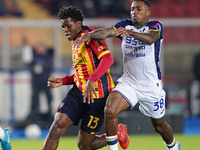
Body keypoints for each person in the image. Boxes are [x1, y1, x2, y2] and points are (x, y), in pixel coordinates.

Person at [74, 0, 181, 150]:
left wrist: (129, 32)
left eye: (138, 9)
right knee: (109, 110)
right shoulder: (125, 24)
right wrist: (90, 35)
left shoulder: (155, 26)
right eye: (132, 9)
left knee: (159, 126)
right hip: (129, 83)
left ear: (147, 12)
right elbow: (107, 32)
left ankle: (173, 146)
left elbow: (150, 39)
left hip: (151, 87)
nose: (134, 12)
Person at [42, 5, 129, 150]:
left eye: (68, 26)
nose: (65, 30)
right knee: (57, 127)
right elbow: (81, 73)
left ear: (78, 24)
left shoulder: (90, 35)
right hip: (78, 93)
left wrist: (92, 79)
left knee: (84, 146)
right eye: (63, 27)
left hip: (99, 98)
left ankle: (117, 133)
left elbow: (108, 59)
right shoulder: (75, 42)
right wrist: (63, 81)